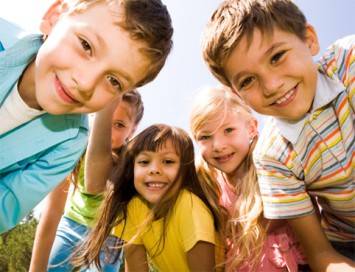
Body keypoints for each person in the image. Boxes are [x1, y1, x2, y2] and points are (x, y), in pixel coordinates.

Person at [201, 0, 355, 270]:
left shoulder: (349, 62)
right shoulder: (272, 156)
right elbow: (320, 255)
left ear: (309, 40)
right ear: (239, 94)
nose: (272, 86)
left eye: (276, 57)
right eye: (248, 80)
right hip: (346, 245)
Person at [0, 0, 173, 232]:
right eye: (86, 45)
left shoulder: (69, 142)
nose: (85, 82)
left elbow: (6, 207)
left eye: (113, 81)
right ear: (55, 17)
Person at [71, 124, 222, 271]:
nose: (154, 170)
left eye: (168, 161)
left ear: (185, 171)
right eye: (144, 162)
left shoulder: (190, 207)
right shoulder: (134, 206)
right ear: (132, 169)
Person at [190, 86, 306, 271]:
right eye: (205, 137)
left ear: (251, 128)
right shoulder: (207, 181)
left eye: (228, 130)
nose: (218, 145)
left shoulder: (271, 165)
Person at [29, 90, 144, 272]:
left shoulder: (131, 163)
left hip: (110, 235)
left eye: (119, 125)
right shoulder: (72, 150)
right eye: (104, 117)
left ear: (133, 129)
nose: (107, 130)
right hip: (71, 224)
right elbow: (53, 210)